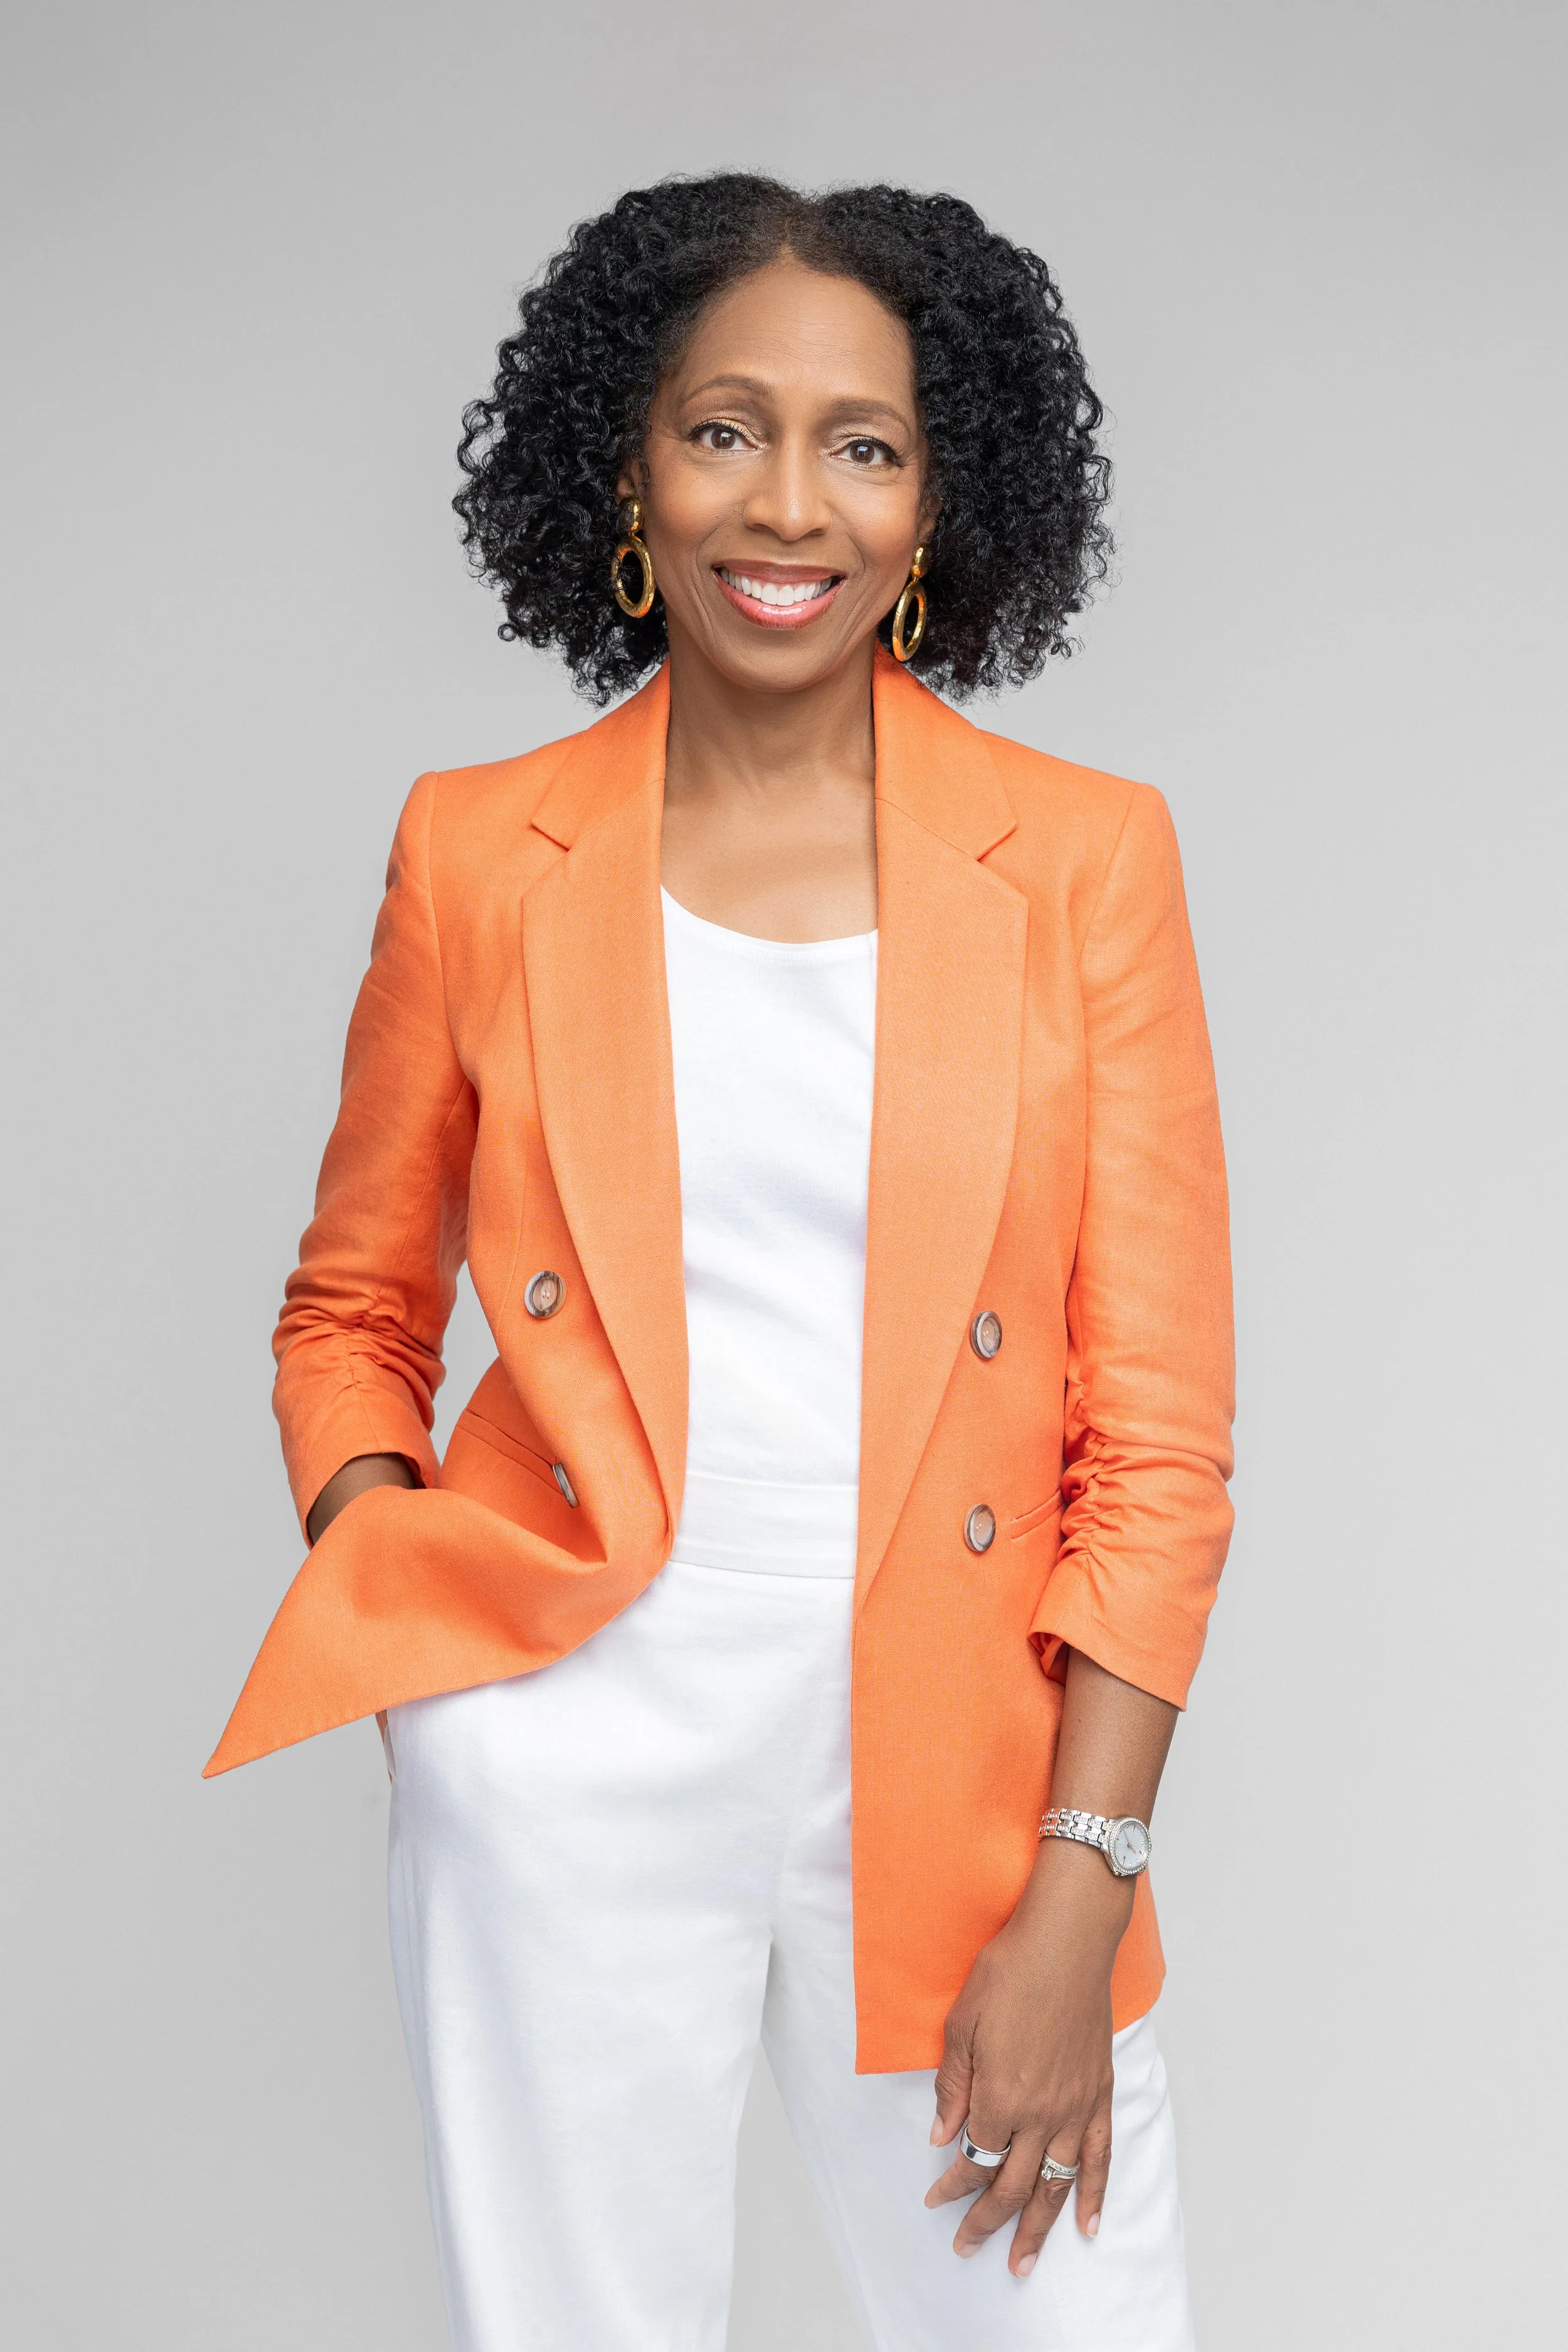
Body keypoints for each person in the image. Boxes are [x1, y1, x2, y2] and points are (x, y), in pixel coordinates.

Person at [208, 174, 1234, 2352]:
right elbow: (351, 1315)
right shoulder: (480, 850)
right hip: (570, 1738)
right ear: (628, 470)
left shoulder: (1080, 860)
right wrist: (420, 1638)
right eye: (724, 429)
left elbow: (1153, 1440)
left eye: (863, 442)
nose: (792, 504)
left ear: (943, 495)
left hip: (962, 1756)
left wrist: (1087, 1878)